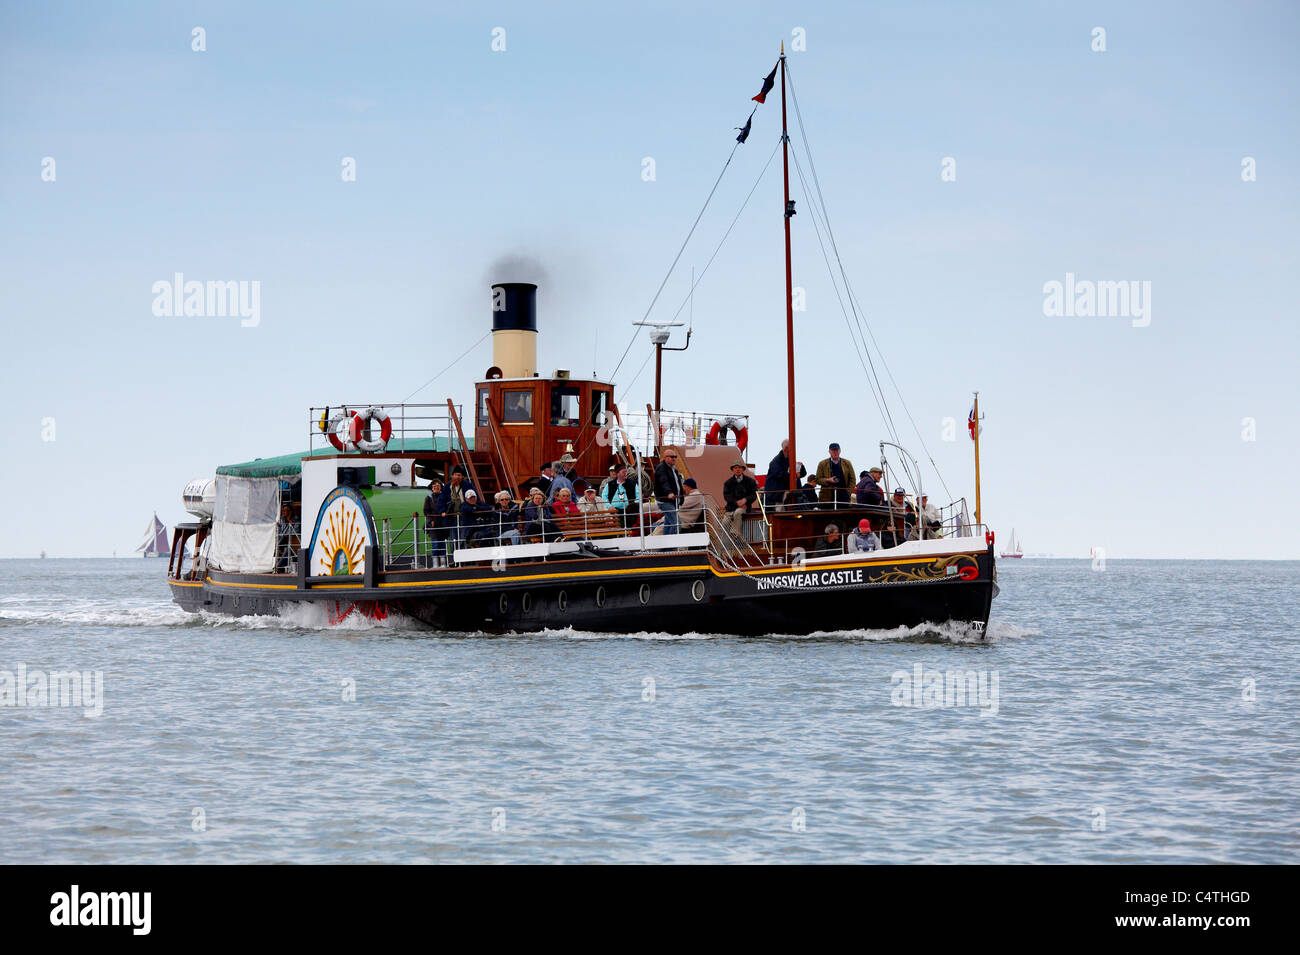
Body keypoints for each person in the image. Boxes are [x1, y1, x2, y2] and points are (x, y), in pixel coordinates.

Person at [764, 439, 806, 507]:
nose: (793, 450)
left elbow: (802, 474)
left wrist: (801, 467)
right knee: (781, 510)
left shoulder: (789, 459)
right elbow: (779, 475)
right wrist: (793, 475)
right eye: (792, 447)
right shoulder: (775, 462)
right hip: (779, 494)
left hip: (790, 491)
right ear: (786, 448)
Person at [722, 460, 758, 539]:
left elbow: (754, 494)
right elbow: (726, 496)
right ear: (733, 470)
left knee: (738, 513)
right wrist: (736, 503)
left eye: (739, 467)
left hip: (745, 507)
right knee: (724, 521)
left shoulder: (750, 481)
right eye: (735, 468)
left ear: (743, 469)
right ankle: (725, 541)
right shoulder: (728, 483)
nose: (737, 469)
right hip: (731, 508)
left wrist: (745, 500)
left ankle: (734, 535)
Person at [815, 443, 856, 508]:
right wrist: (828, 480)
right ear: (829, 452)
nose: (835, 452)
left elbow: (852, 479)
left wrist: (848, 492)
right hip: (827, 498)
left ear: (840, 451)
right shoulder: (822, 464)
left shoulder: (847, 463)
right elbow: (817, 479)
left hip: (844, 497)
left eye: (836, 450)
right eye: (833, 450)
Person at [653, 448, 684, 535]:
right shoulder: (661, 468)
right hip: (665, 501)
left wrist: (681, 497)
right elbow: (664, 481)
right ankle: (670, 547)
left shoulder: (673, 469)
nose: (674, 458)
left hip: (672, 501)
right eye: (672, 457)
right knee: (676, 524)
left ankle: (665, 546)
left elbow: (678, 483)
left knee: (668, 524)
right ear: (665, 458)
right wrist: (669, 492)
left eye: (675, 457)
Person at [603, 463, 641, 529]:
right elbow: (604, 497)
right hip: (615, 511)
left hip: (630, 511)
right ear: (618, 474)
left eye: (626, 472)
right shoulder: (610, 484)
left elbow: (638, 496)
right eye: (623, 472)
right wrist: (609, 506)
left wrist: (634, 505)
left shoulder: (632, 483)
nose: (626, 473)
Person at [423, 480, 446, 562]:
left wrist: (445, 512)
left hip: (443, 523)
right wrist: (431, 520)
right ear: (432, 488)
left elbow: (447, 506)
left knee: (442, 544)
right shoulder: (428, 498)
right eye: (434, 486)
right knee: (435, 544)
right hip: (433, 524)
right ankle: (435, 564)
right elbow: (426, 511)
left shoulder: (444, 497)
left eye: (438, 486)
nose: (436, 487)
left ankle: (443, 563)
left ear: (440, 488)